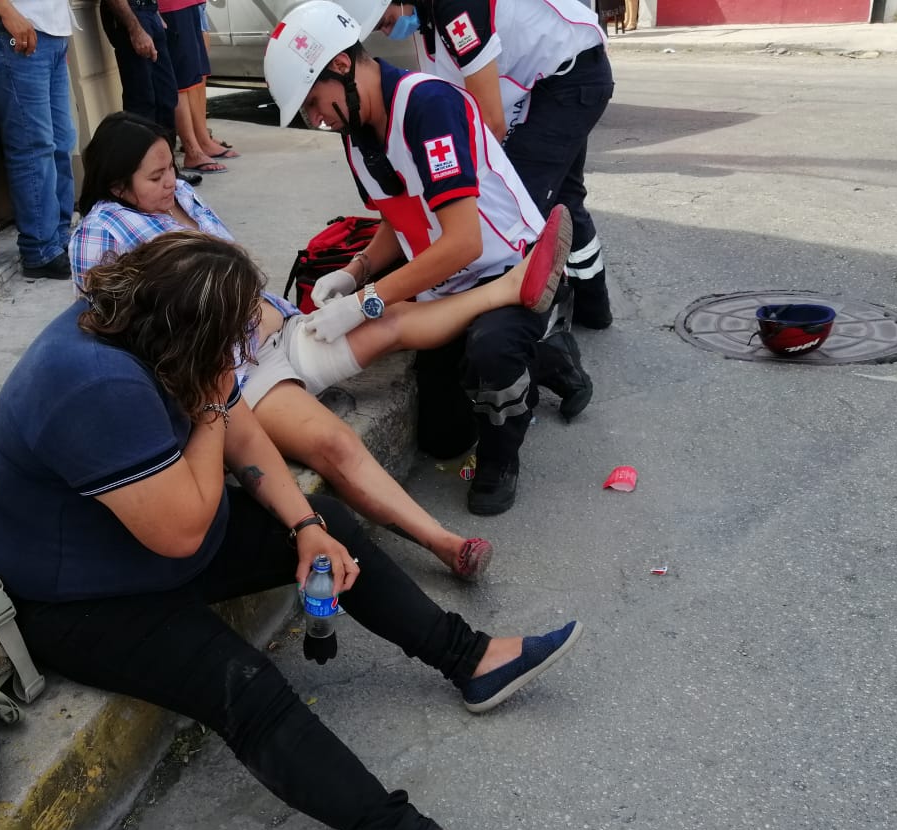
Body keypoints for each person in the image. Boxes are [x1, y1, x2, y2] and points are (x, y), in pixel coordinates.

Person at [0, 230, 586, 830]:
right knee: (245, 688)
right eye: (233, 342)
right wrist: (210, 403)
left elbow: (240, 432)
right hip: (74, 596)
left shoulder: (147, 323)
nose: (246, 350)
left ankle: (470, 658)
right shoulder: (92, 385)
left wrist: (305, 526)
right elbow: (183, 529)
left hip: (146, 539)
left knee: (330, 525)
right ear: (191, 335)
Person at [69, 114, 569, 577]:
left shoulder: (180, 195)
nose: (171, 182)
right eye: (155, 177)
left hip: (278, 331)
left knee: (389, 321)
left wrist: (340, 290)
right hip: (235, 374)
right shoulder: (101, 231)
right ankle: (444, 543)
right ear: (117, 186)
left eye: (171, 168)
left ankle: (510, 288)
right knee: (335, 444)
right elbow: (116, 331)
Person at [264, 1, 591, 516]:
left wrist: (366, 302)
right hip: (445, 282)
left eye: (313, 103)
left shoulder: (427, 107)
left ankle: (501, 458)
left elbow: (464, 243)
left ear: (342, 66)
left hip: (510, 265)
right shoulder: (358, 135)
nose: (316, 119)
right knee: (444, 438)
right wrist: (354, 271)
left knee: (491, 353)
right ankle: (549, 356)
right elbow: (399, 218)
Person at [372, 0, 616, 328]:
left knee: (518, 213)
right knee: (564, 196)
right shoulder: (426, 16)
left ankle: (534, 331)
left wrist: (456, 188)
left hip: (570, 77)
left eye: (386, 21)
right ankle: (593, 308)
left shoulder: (454, 6)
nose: (388, 33)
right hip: (556, 75)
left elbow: (489, 122)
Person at [0, 0, 76, 280]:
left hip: (47, 30)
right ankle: (40, 249)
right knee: (34, 146)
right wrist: (8, 12)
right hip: (5, 26)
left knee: (61, 142)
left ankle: (57, 238)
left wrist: (59, 30)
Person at [158, 0, 237, 175]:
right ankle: (192, 150)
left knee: (196, 76)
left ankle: (203, 141)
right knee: (182, 81)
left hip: (189, 5)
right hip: (170, 6)